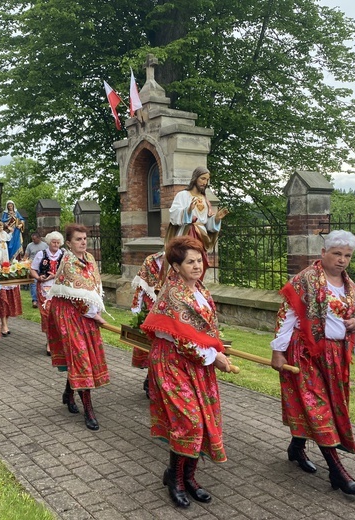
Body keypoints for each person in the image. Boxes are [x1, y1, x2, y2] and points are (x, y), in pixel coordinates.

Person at [270, 230, 355, 495]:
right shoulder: (306, 280)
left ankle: (297, 446)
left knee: (325, 404)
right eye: (337, 254)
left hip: (336, 357)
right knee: (318, 407)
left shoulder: (350, 286)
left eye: (347, 255)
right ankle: (337, 472)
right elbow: (287, 315)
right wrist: (278, 351)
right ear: (323, 252)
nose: (342, 260)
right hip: (305, 352)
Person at [140, 236, 231, 508]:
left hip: (197, 365)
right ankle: (175, 479)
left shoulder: (200, 290)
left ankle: (188, 477)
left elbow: (204, 329)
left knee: (202, 420)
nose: (197, 265)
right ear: (176, 267)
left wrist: (216, 349)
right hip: (172, 364)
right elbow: (177, 337)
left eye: (199, 260)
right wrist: (214, 356)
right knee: (189, 422)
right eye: (189, 261)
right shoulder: (173, 293)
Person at [47, 224, 108, 431]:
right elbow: (77, 297)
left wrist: (95, 311)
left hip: (85, 311)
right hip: (67, 312)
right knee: (81, 357)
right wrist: (96, 315)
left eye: (84, 238)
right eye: (78, 239)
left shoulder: (89, 259)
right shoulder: (68, 262)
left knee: (83, 355)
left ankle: (68, 393)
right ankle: (88, 410)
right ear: (69, 243)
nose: (83, 242)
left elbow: (94, 286)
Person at [167, 166, 228, 276]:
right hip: (186, 234)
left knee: (200, 264)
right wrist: (188, 211)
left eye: (207, 180)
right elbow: (173, 215)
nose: (205, 182)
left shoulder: (204, 199)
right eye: (203, 178)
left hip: (201, 236)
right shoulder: (183, 195)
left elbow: (206, 224)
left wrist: (216, 219)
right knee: (185, 263)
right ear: (195, 178)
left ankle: (196, 289)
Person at [130, 250, 166, 397]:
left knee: (162, 348)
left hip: (167, 310)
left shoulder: (179, 260)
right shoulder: (151, 260)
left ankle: (152, 381)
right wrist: (136, 308)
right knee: (150, 346)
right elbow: (141, 286)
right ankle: (150, 381)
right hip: (150, 309)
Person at [29, 231, 64, 355]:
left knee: (59, 316)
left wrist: (56, 275)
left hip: (60, 289)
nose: (55, 245)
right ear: (49, 242)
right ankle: (49, 342)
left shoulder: (64, 255)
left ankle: (58, 341)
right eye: (53, 242)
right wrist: (38, 278)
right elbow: (33, 269)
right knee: (47, 315)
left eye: (58, 242)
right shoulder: (41, 254)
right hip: (44, 288)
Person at [25, 232, 48, 307]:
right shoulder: (29, 245)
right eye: (32, 239)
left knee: (44, 283)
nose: (33, 240)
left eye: (34, 239)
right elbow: (26, 256)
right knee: (33, 283)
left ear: (39, 238)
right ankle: (34, 300)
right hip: (33, 267)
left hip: (43, 267)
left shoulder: (45, 245)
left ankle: (44, 299)